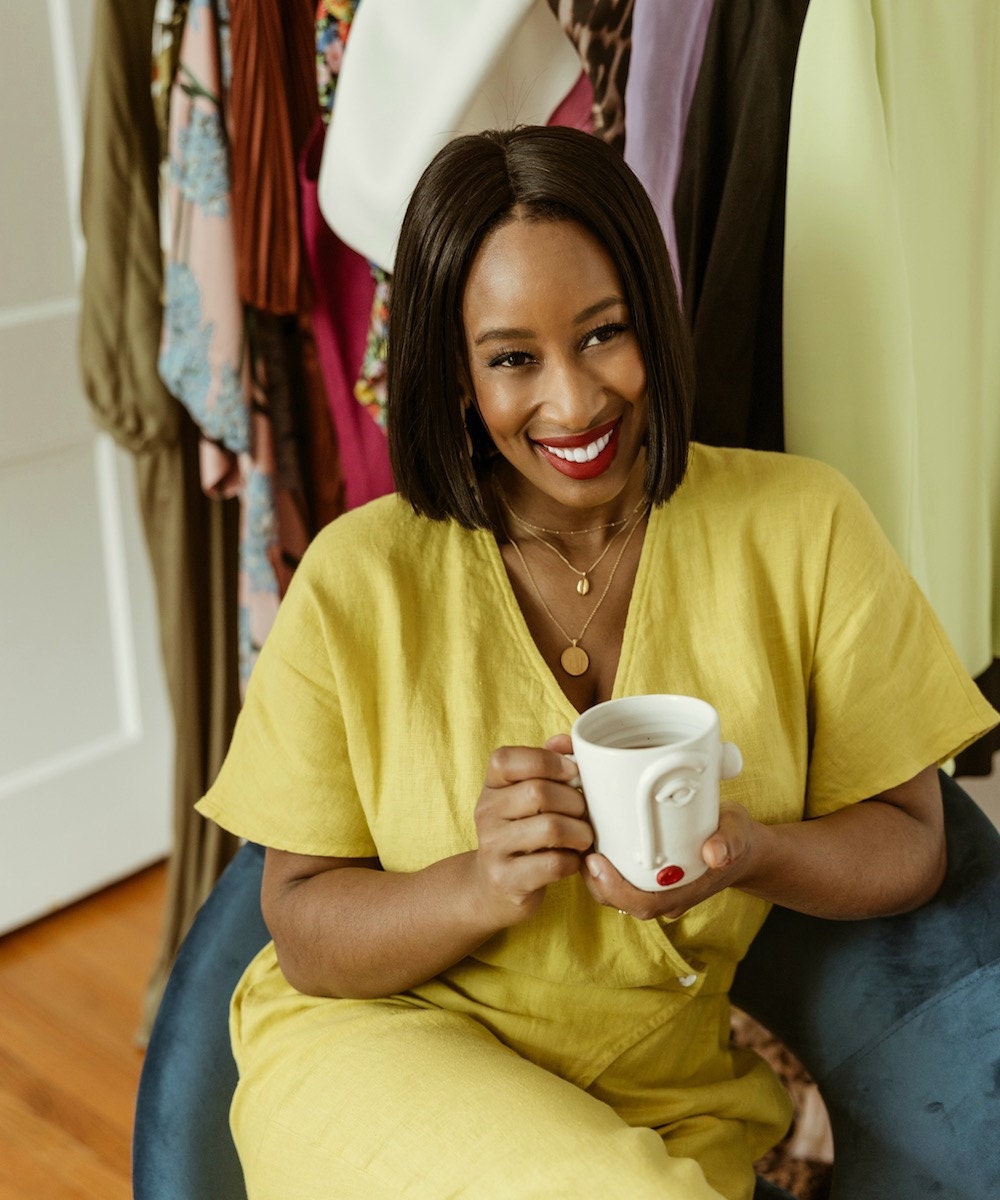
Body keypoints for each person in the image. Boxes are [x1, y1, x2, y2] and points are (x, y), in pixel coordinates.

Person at [196, 125, 997, 1200]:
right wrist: (476, 886)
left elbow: (913, 845)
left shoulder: (802, 527)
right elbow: (301, 930)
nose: (573, 404)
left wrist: (745, 851)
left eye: (604, 334)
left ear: (655, 326)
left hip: (662, 1106)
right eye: (513, 357)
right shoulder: (359, 576)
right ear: (453, 370)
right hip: (377, 1057)